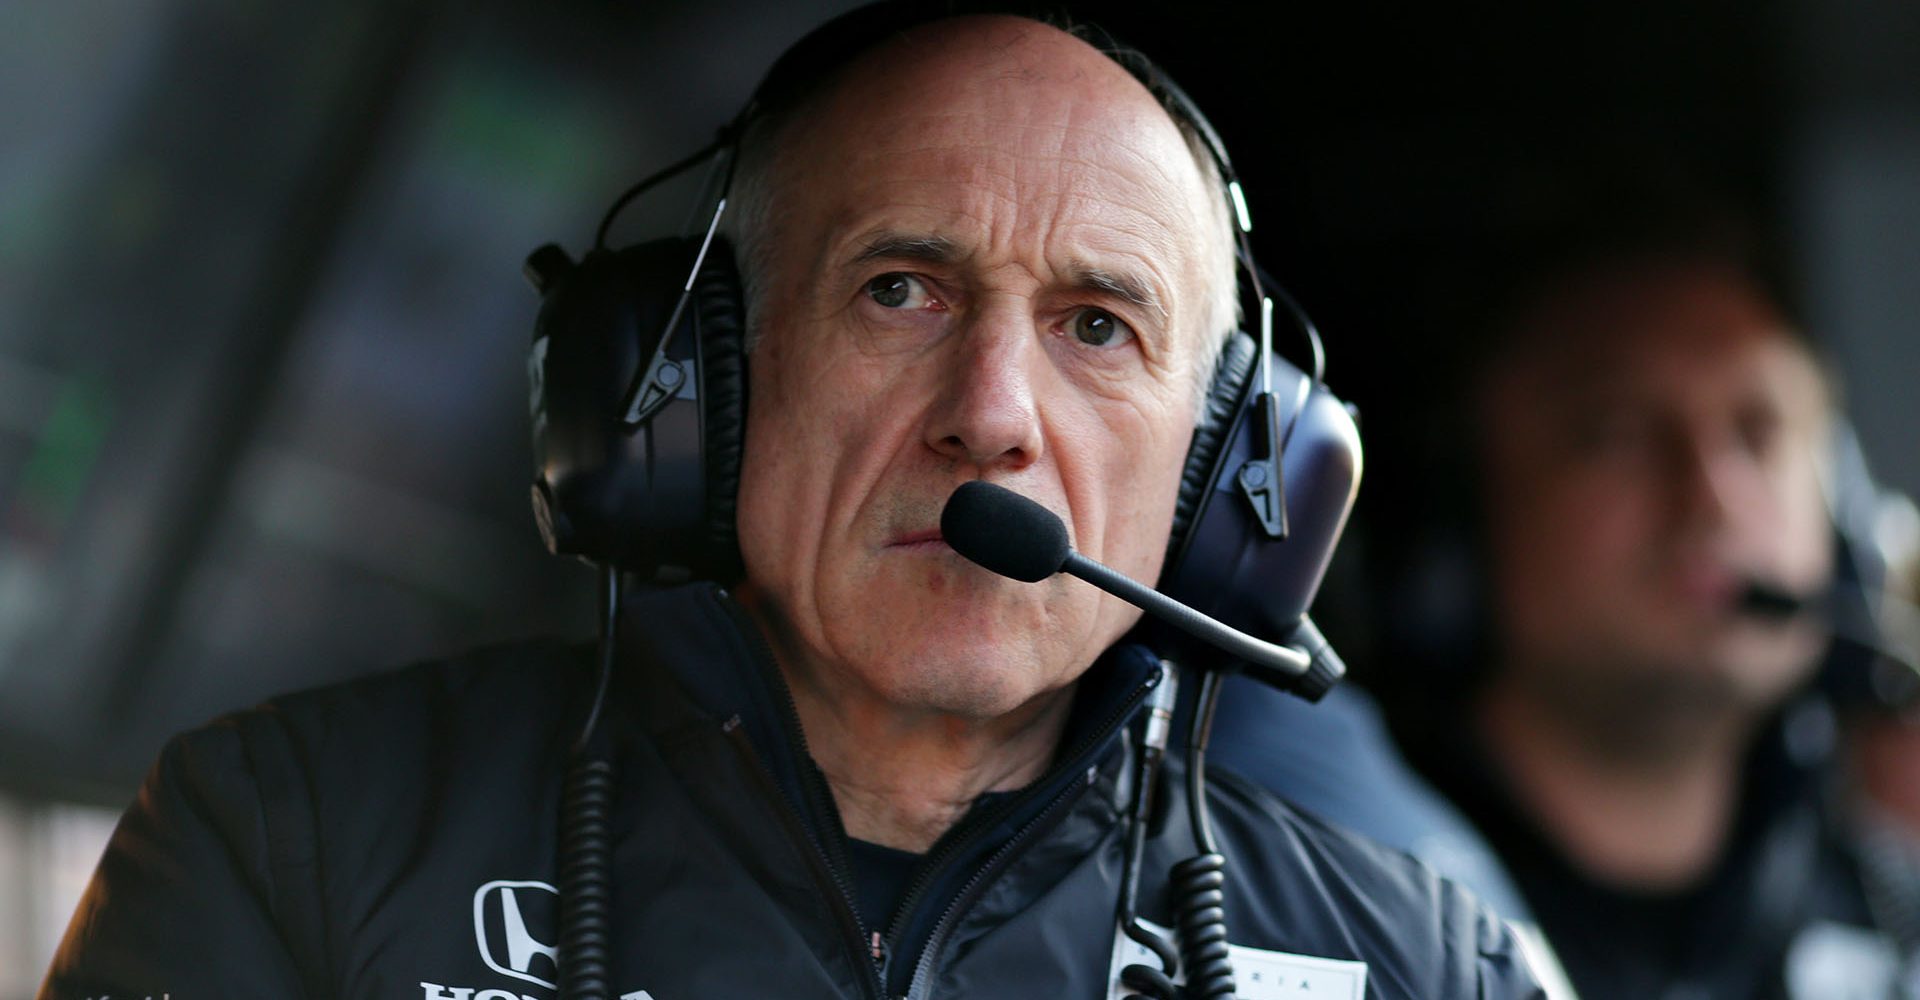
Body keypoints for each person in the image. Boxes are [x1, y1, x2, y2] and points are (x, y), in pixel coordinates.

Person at [37, 6, 1546, 1000]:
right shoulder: (294, 838)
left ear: (1229, 477)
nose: (994, 417)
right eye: (900, 291)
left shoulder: (1418, 966)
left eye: (1099, 326)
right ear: (696, 382)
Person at [1381, 190, 1914, 999]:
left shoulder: (1891, 920)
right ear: (1462, 526)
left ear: (1841, 523)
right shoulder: (1342, 906)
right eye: (1618, 433)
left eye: (1759, 430)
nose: (1712, 496)